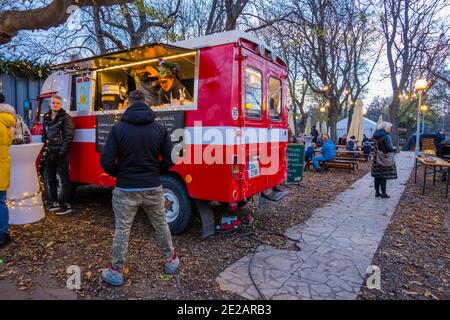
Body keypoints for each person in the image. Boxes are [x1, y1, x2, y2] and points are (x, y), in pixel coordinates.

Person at [100, 90, 178, 286]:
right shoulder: (160, 129)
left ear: (128, 103)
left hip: (126, 189)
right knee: (161, 225)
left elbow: (106, 161)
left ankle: (116, 272)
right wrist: (155, 172)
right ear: (146, 103)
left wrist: (120, 174)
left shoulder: (118, 129)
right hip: (153, 186)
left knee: (123, 229)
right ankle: (171, 262)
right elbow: (171, 158)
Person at [42, 95, 75, 215]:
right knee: (51, 179)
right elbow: (44, 135)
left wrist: (62, 152)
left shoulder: (66, 118)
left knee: (64, 180)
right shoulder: (46, 118)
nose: (55, 105)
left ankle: (66, 205)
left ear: (61, 105)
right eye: (53, 103)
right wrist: (44, 149)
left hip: (61, 153)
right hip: (49, 153)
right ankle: (54, 202)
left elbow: (69, 137)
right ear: (50, 104)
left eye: (57, 103)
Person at [0, 93, 16, 246]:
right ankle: (3, 233)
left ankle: (3, 234)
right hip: (3, 163)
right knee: (1, 201)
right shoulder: (7, 121)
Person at [371, 121, 397, 198]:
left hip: (376, 159)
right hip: (384, 158)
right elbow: (389, 148)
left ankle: (377, 192)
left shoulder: (376, 135)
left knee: (377, 176)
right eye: (390, 127)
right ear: (386, 127)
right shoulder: (386, 136)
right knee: (383, 176)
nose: (390, 129)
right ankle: (384, 193)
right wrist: (395, 148)